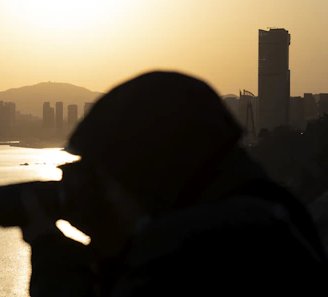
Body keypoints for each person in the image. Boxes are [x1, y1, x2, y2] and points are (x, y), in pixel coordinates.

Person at [20, 71, 328, 296]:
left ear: (151, 174)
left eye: (108, 178)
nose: (104, 193)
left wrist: (52, 254)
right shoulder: (262, 214)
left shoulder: (193, 245)